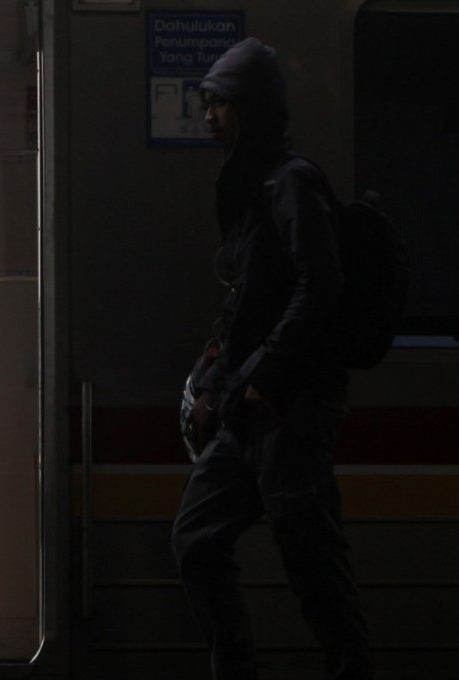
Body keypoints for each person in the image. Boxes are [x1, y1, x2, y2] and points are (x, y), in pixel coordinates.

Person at [170, 38, 373, 680]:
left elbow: (323, 284)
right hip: (248, 412)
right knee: (196, 539)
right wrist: (217, 374)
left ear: (251, 107)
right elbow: (253, 303)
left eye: (220, 103)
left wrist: (263, 376)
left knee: (314, 569)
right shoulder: (254, 187)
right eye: (206, 103)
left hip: (292, 409)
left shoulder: (292, 181)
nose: (208, 116)